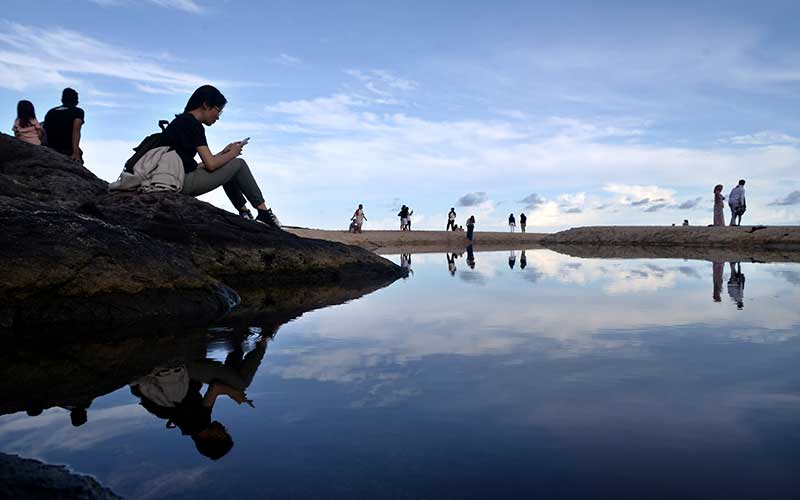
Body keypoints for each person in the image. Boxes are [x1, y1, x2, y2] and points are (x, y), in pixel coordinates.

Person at [160, 85, 280, 227]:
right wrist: (233, 154)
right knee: (239, 164)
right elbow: (211, 165)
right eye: (218, 111)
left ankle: (244, 213)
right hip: (182, 183)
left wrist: (224, 154)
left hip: (174, 178)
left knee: (227, 164)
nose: (218, 117)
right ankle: (264, 213)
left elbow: (197, 164)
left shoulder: (181, 122)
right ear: (205, 105)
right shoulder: (194, 125)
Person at [43, 88, 84, 162]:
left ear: (62, 99)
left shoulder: (51, 112)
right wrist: (76, 152)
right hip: (68, 150)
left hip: (50, 148)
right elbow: (76, 131)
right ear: (76, 101)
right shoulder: (78, 111)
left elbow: (44, 130)